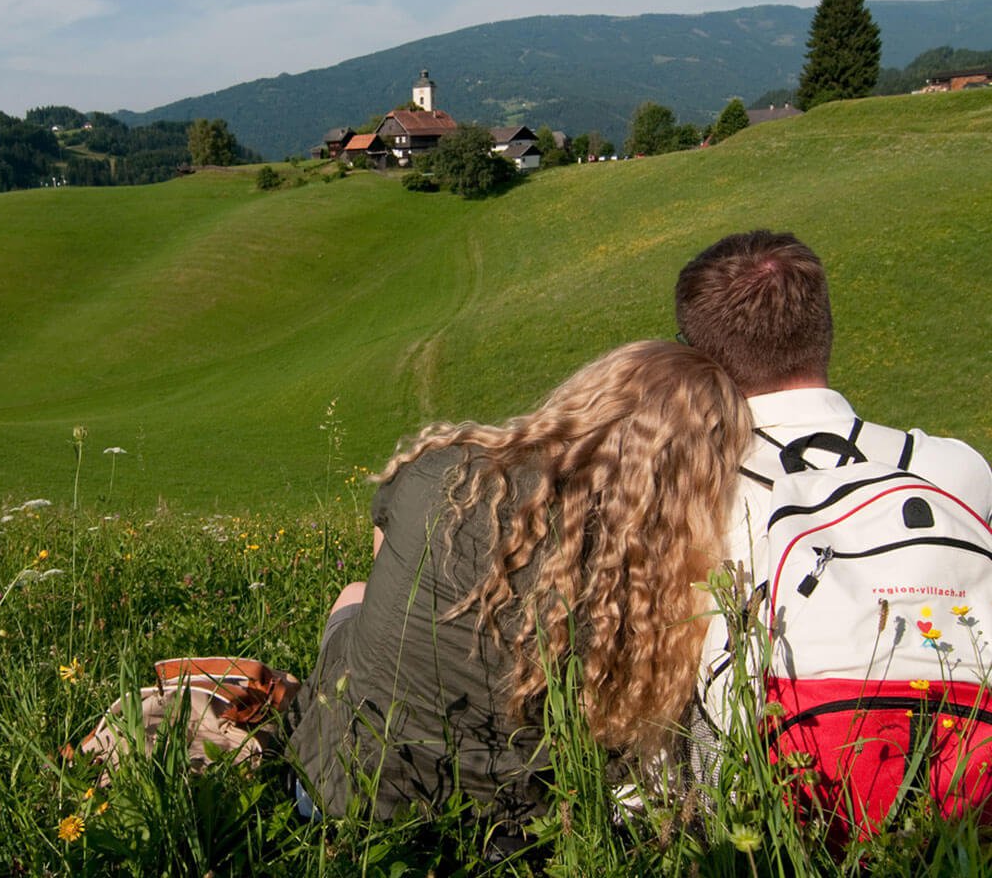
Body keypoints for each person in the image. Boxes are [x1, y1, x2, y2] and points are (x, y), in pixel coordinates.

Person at [288, 340, 752, 828]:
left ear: (587, 395)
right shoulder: (652, 586)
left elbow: (388, 573)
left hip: (337, 797)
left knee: (356, 595)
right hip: (514, 831)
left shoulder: (442, 470)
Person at [673, 229, 992, 730]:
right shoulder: (957, 471)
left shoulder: (688, 495)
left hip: (766, 784)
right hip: (960, 781)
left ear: (698, 359)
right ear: (824, 326)